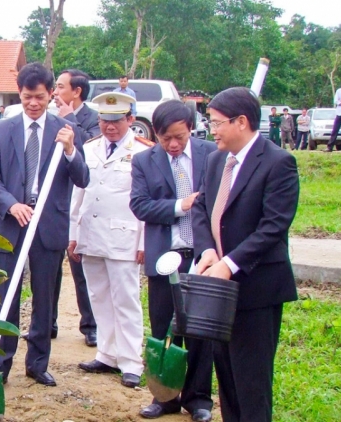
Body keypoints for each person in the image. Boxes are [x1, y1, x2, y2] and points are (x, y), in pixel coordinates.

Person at [194, 87, 299, 422]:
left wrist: (230, 263)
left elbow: (273, 226)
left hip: (256, 289)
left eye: (217, 122)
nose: (212, 129)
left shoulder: (278, 162)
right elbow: (200, 208)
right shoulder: (215, 160)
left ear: (241, 122)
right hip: (220, 290)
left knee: (251, 380)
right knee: (225, 375)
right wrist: (208, 250)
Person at [0, 62, 89, 387]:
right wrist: (11, 204)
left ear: (51, 94)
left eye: (40, 97)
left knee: (44, 298)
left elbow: (82, 177)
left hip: (48, 227)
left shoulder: (65, 130)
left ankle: (37, 363)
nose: (33, 103)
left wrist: (70, 150)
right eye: (27, 96)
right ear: (20, 94)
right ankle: (0, 362)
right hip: (10, 226)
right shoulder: (1, 131)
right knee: (5, 295)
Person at [129, 100, 215, 422]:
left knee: (199, 332)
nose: (173, 144)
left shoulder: (211, 155)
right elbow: (140, 205)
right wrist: (181, 204)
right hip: (165, 257)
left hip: (203, 258)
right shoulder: (144, 161)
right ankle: (164, 397)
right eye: (166, 138)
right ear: (157, 133)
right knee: (163, 328)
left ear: (191, 129)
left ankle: (199, 400)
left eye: (179, 137)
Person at [71, 92, 150, 389]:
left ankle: (131, 361)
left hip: (124, 237)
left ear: (130, 119)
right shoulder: (90, 148)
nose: (110, 127)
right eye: (105, 120)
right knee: (99, 297)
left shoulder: (142, 151)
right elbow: (78, 194)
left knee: (126, 300)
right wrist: (73, 235)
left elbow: (145, 199)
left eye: (116, 120)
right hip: (91, 234)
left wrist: (143, 242)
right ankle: (107, 353)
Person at [52, 68, 100, 346]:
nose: (56, 93)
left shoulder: (94, 119)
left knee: (79, 264)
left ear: (76, 91)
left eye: (60, 87)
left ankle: (90, 325)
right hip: (56, 202)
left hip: (80, 200)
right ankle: (48, 322)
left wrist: (69, 120)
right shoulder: (50, 117)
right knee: (49, 268)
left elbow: (87, 150)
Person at [326, 76, 341, 153]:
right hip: (339, 113)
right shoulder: (339, 91)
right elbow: (335, 101)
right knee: (334, 131)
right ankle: (329, 147)